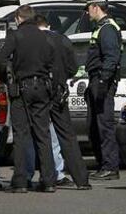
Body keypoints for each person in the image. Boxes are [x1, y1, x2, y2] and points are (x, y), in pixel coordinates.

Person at [0, 4, 56, 193]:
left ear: (18, 18)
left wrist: (8, 74)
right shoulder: (46, 36)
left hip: (21, 88)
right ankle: (48, 180)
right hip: (42, 87)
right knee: (43, 134)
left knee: (21, 135)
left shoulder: (15, 36)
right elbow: (52, 61)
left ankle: (21, 181)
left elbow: (1, 58)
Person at [33, 14, 91, 189]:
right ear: (48, 25)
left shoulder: (35, 41)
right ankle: (82, 180)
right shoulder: (63, 39)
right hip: (59, 92)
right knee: (67, 136)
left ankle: (49, 180)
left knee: (43, 136)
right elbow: (73, 68)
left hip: (40, 91)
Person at [84, 0, 122, 180]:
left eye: (88, 7)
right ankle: (103, 165)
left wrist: (102, 82)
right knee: (94, 126)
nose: (86, 11)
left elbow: (111, 59)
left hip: (102, 82)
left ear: (96, 7)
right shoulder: (101, 28)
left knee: (104, 125)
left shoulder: (107, 29)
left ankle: (110, 167)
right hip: (96, 80)